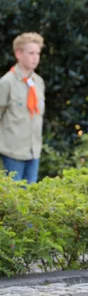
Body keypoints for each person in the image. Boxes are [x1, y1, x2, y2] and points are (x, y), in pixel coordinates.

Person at [0, 33, 46, 184]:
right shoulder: (7, 83)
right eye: (31, 53)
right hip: (12, 152)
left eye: (38, 53)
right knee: (14, 198)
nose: (35, 57)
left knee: (30, 197)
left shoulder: (38, 82)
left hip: (33, 151)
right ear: (18, 53)